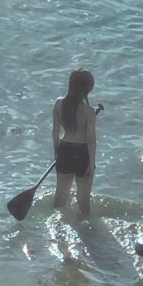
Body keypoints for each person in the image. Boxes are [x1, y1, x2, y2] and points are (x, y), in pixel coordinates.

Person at [52, 69, 97, 215]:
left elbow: (55, 132)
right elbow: (91, 140)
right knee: (83, 199)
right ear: (87, 88)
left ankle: (57, 226)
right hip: (82, 153)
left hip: (64, 151)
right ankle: (86, 230)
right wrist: (91, 163)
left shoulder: (59, 104)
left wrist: (57, 153)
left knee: (60, 197)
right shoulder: (88, 112)